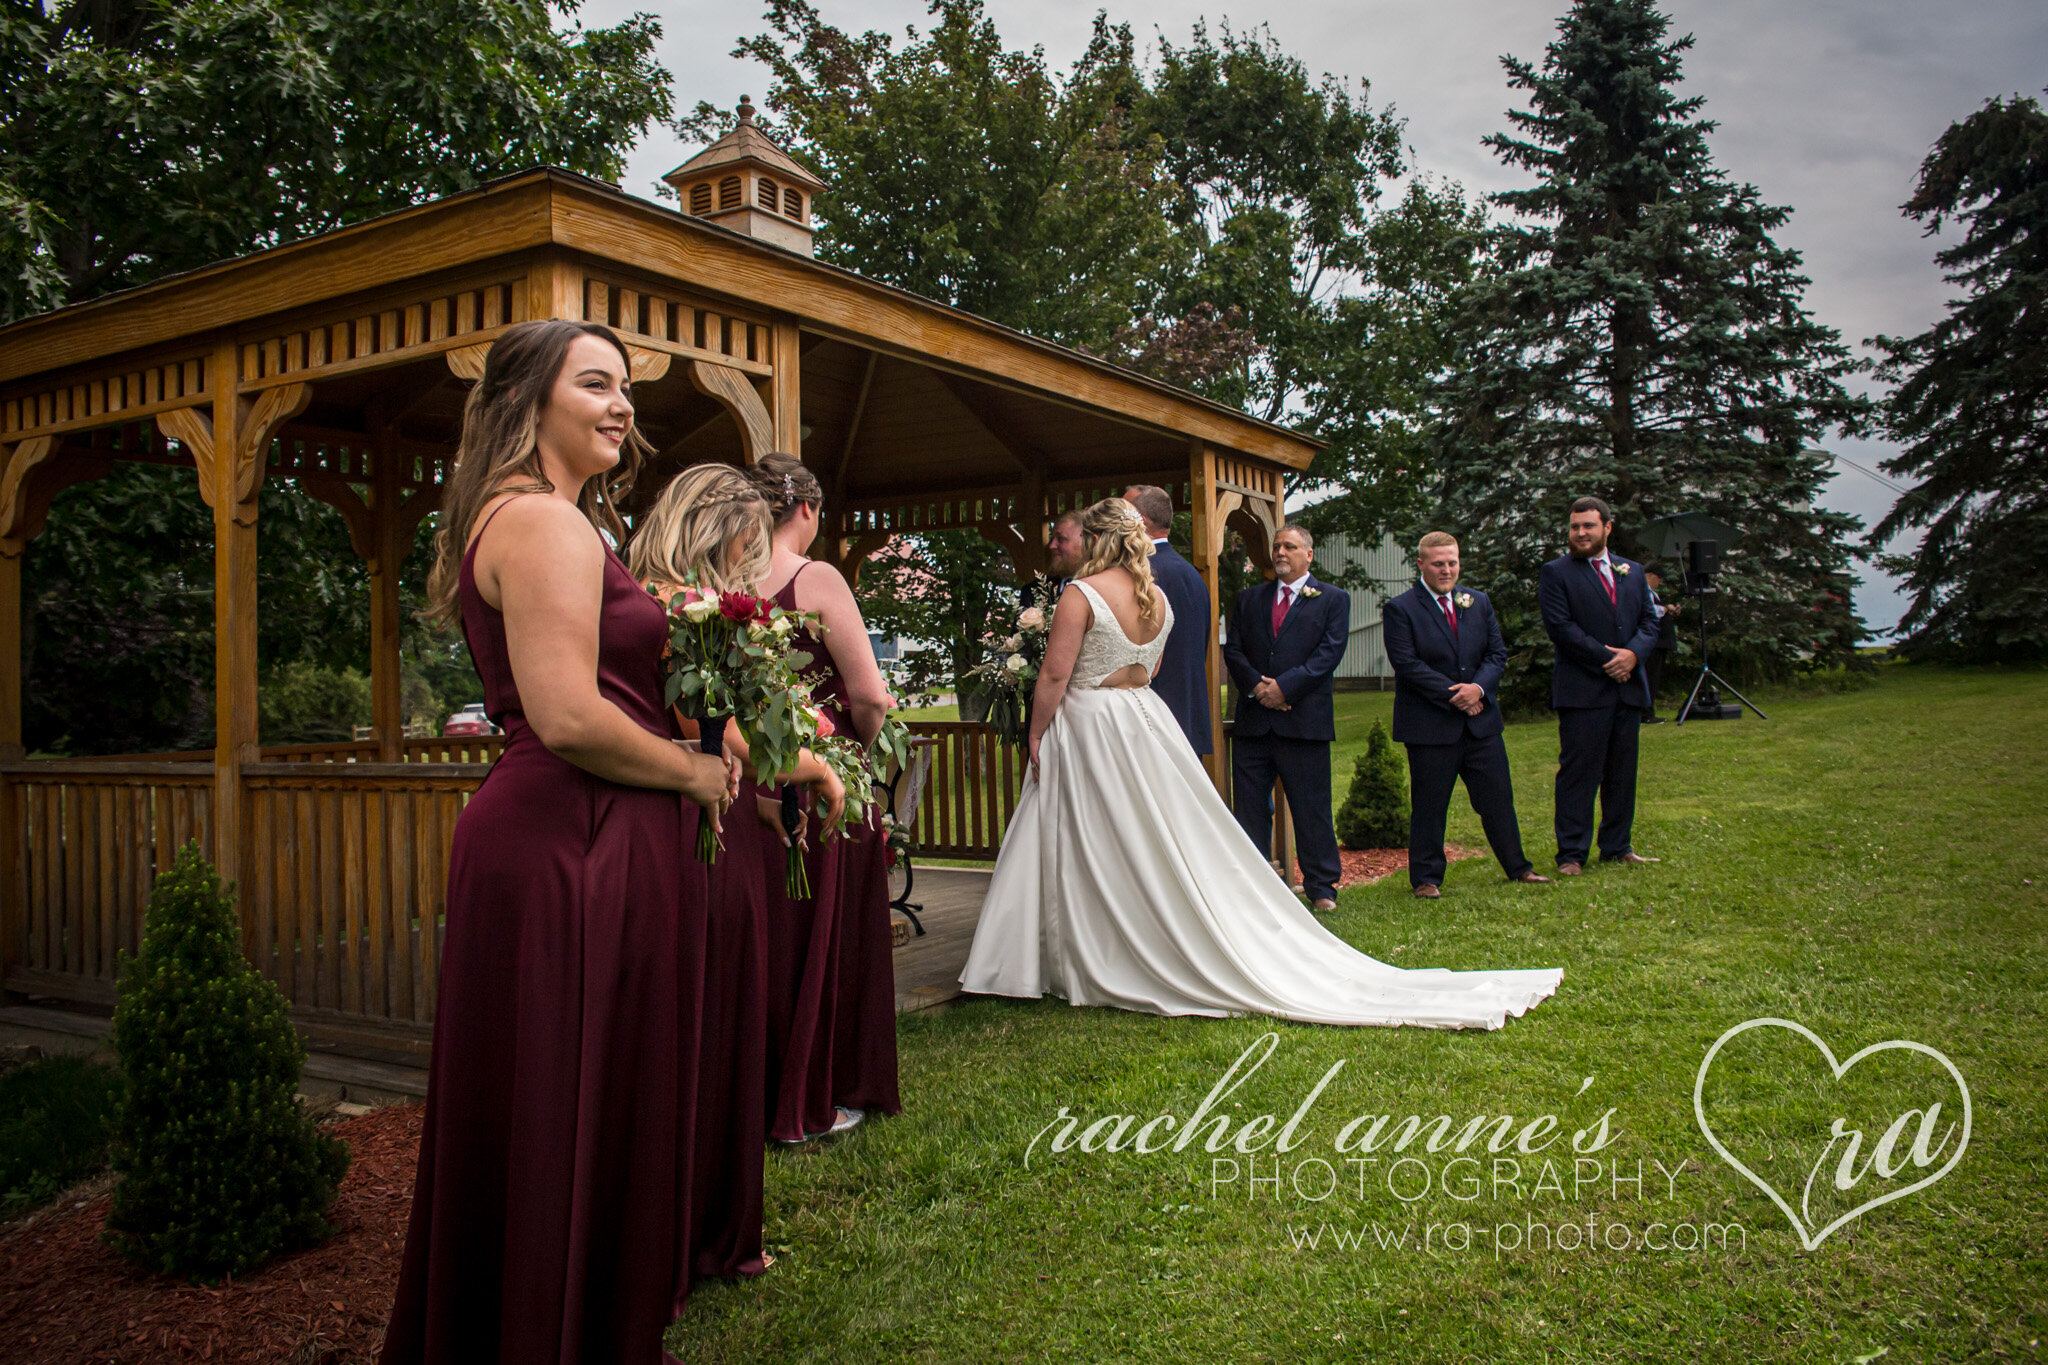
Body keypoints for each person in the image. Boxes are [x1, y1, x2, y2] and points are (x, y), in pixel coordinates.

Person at [383, 320, 743, 1365]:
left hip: (584, 830)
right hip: (566, 840)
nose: (621, 404)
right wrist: (692, 773)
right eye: (595, 384)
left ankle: (568, 1320)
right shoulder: (540, 522)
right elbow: (569, 715)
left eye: (624, 387)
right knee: (561, 1092)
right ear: (527, 402)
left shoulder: (556, 519)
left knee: (581, 1089)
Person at [959, 499, 1560, 1028]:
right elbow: (1154, 671)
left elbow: (1058, 673)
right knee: (1142, 839)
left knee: (1093, 835)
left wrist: (1038, 733)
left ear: (1096, 540)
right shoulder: (1158, 597)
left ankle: (1084, 948)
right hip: (1143, 722)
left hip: (1090, 724)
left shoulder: (1080, 594)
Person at [626, 464, 845, 1249]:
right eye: (749, 544)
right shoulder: (677, 613)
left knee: (722, 1021)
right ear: (721, 535)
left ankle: (714, 1215)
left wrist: (759, 806)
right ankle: (698, 1226)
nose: (756, 566)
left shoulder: (671, 604)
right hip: (689, 845)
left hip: (717, 823)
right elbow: (711, 732)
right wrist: (812, 766)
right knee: (708, 1023)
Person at [745, 452, 902, 1143]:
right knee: (827, 938)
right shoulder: (816, 577)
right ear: (805, 510)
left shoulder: (721, 577)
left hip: (746, 776)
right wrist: (863, 758)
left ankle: (750, 1094)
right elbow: (868, 694)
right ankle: (817, 1094)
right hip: (822, 780)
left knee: (762, 943)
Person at [1382, 532, 1550, 899]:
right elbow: (1407, 664)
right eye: (1438, 563)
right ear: (1421, 564)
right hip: (1430, 725)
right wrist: (1455, 695)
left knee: (1497, 799)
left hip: (1481, 724)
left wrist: (1478, 690)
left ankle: (1518, 868)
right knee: (1429, 805)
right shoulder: (1401, 609)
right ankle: (1426, 879)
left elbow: (1496, 653)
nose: (1446, 570)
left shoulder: (1478, 602)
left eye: (1452, 562)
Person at [1220, 524, 1348, 911]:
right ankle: (1255, 885)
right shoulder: (1249, 599)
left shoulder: (1332, 599)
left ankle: (1322, 886)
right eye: (1277, 547)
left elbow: (1329, 653)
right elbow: (1234, 650)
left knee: (1311, 808)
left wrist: (1285, 689)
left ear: (1309, 554)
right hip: (1255, 722)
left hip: (1304, 721)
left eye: (1290, 547)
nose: (1280, 553)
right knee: (1249, 808)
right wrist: (1260, 688)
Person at [1537, 496, 1664, 875]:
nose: (1580, 533)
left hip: (1627, 689)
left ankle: (1617, 845)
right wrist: (1609, 659)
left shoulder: (1633, 571)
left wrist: (1633, 656)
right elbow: (1561, 628)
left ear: (1607, 528)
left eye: (1588, 526)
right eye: (1575, 526)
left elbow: (1649, 622)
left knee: (1622, 771)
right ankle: (1572, 854)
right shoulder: (1556, 573)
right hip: (1582, 690)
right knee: (1578, 772)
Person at [1121, 483, 1212, 755]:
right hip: (1186, 714)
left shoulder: (1142, 575)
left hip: (1152, 720)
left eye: (1123, 514)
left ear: (1141, 522)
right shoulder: (1192, 575)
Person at [1641, 567, 1681, 723]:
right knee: (1649, 678)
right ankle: (1646, 714)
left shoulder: (1653, 594)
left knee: (1654, 678)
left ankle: (1648, 711)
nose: (1660, 582)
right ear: (1650, 575)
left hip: (1660, 643)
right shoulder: (1643, 591)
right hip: (1653, 642)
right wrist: (1666, 608)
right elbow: (1648, 612)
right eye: (1659, 578)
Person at [1045, 508, 1086, 589]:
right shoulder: (1034, 591)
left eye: (1060, 539)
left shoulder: (1106, 587)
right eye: (1052, 538)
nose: (1052, 546)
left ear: (1085, 542)